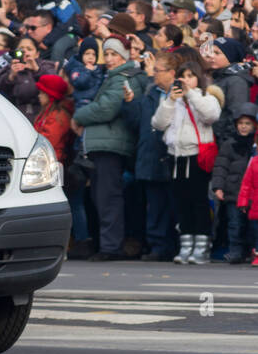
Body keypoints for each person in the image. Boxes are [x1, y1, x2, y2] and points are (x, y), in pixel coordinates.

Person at [71, 38, 141, 262]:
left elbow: (107, 108)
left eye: (114, 54)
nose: (109, 59)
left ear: (124, 57)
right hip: (103, 144)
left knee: (108, 197)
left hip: (110, 146)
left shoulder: (122, 78)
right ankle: (105, 244)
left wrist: (79, 116)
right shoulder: (111, 77)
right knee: (100, 197)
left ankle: (111, 247)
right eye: (107, 54)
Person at [152, 61, 223, 264]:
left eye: (191, 75)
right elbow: (157, 123)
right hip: (176, 156)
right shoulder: (173, 100)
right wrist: (170, 101)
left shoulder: (206, 96)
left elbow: (211, 115)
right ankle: (186, 245)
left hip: (197, 155)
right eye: (183, 76)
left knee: (199, 201)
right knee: (181, 203)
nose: (186, 79)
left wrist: (191, 93)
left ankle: (202, 247)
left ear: (198, 78)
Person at [123, 50, 179, 261]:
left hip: (172, 156)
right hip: (151, 156)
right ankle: (157, 245)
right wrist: (129, 104)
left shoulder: (180, 93)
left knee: (173, 205)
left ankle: (174, 245)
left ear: (171, 73)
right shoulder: (150, 93)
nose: (154, 74)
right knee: (154, 206)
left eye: (158, 70)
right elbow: (137, 122)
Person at [210, 104, 257, 264]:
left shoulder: (255, 145)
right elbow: (221, 167)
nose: (243, 127)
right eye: (241, 123)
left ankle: (251, 251)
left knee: (253, 226)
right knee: (234, 224)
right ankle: (235, 251)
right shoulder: (229, 144)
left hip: (253, 192)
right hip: (233, 191)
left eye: (248, 123)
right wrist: (218, 186)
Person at [202, 37, 252, 144]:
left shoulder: (236, 81)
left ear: (231, 57)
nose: (211, 55)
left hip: (225, 143)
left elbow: (236, 115)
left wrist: (225, 142)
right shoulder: (219, 76)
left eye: (217, 53)